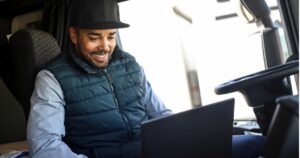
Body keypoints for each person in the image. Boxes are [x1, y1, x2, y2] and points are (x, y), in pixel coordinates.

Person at [27, 0, 265, 157]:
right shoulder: (51, 79)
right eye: (94, 37)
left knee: (256, 144)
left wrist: (192, 134)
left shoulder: (130, 65)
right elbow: (46, 146)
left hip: (154, 151)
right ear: (74, 35)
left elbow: (161, 115)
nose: (105, 46)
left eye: (111, 36)